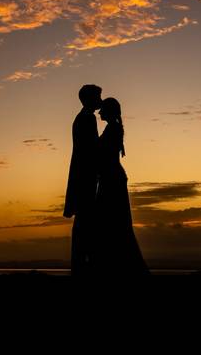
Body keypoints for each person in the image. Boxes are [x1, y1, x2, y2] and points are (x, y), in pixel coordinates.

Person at [91, 97, 150, 277]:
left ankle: (119, 267)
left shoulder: (113, 129)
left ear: (109, 111)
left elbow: (104, 155)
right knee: (113, 221)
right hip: (111, 177)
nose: (99, 112)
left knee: (113, 221)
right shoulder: (113, 128)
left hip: (112, 179)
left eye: (103, 110)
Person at [64, 84, 102, 276]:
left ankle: (81, 263)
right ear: (90, 99)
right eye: (98, 96)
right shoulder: (87, 119)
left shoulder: (81, 118)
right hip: (85, 175)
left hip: (82, 174)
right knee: (85, 219)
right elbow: (92, 148)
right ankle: (82, 265)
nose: (100, 101)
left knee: (84, 220)